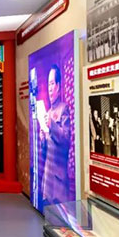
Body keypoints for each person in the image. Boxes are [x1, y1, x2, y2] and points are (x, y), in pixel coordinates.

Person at [40, 65, 71, 208]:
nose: (50, 88)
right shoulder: (48, 112)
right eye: (48, 84)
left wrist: (51, 125)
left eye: (52, 83)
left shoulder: (64, 109)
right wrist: (43, 138)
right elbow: (45, 152)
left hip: (58, 180)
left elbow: (65, 140)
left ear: (58, 86)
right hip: (48, 180)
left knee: (59, 216)